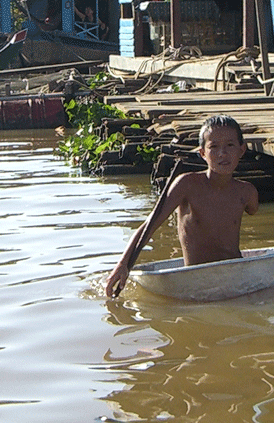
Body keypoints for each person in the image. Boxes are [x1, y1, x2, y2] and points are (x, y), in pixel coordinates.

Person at [105, 115, 259, 298]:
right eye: (214, 147)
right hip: (194, 278)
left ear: (242, 150)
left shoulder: (246, 193)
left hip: (234, 277)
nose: (222, 154)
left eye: (230, 146)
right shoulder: (187, 185)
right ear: (202, 153)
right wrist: (123, 264)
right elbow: (150, 225)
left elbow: (253, 209)